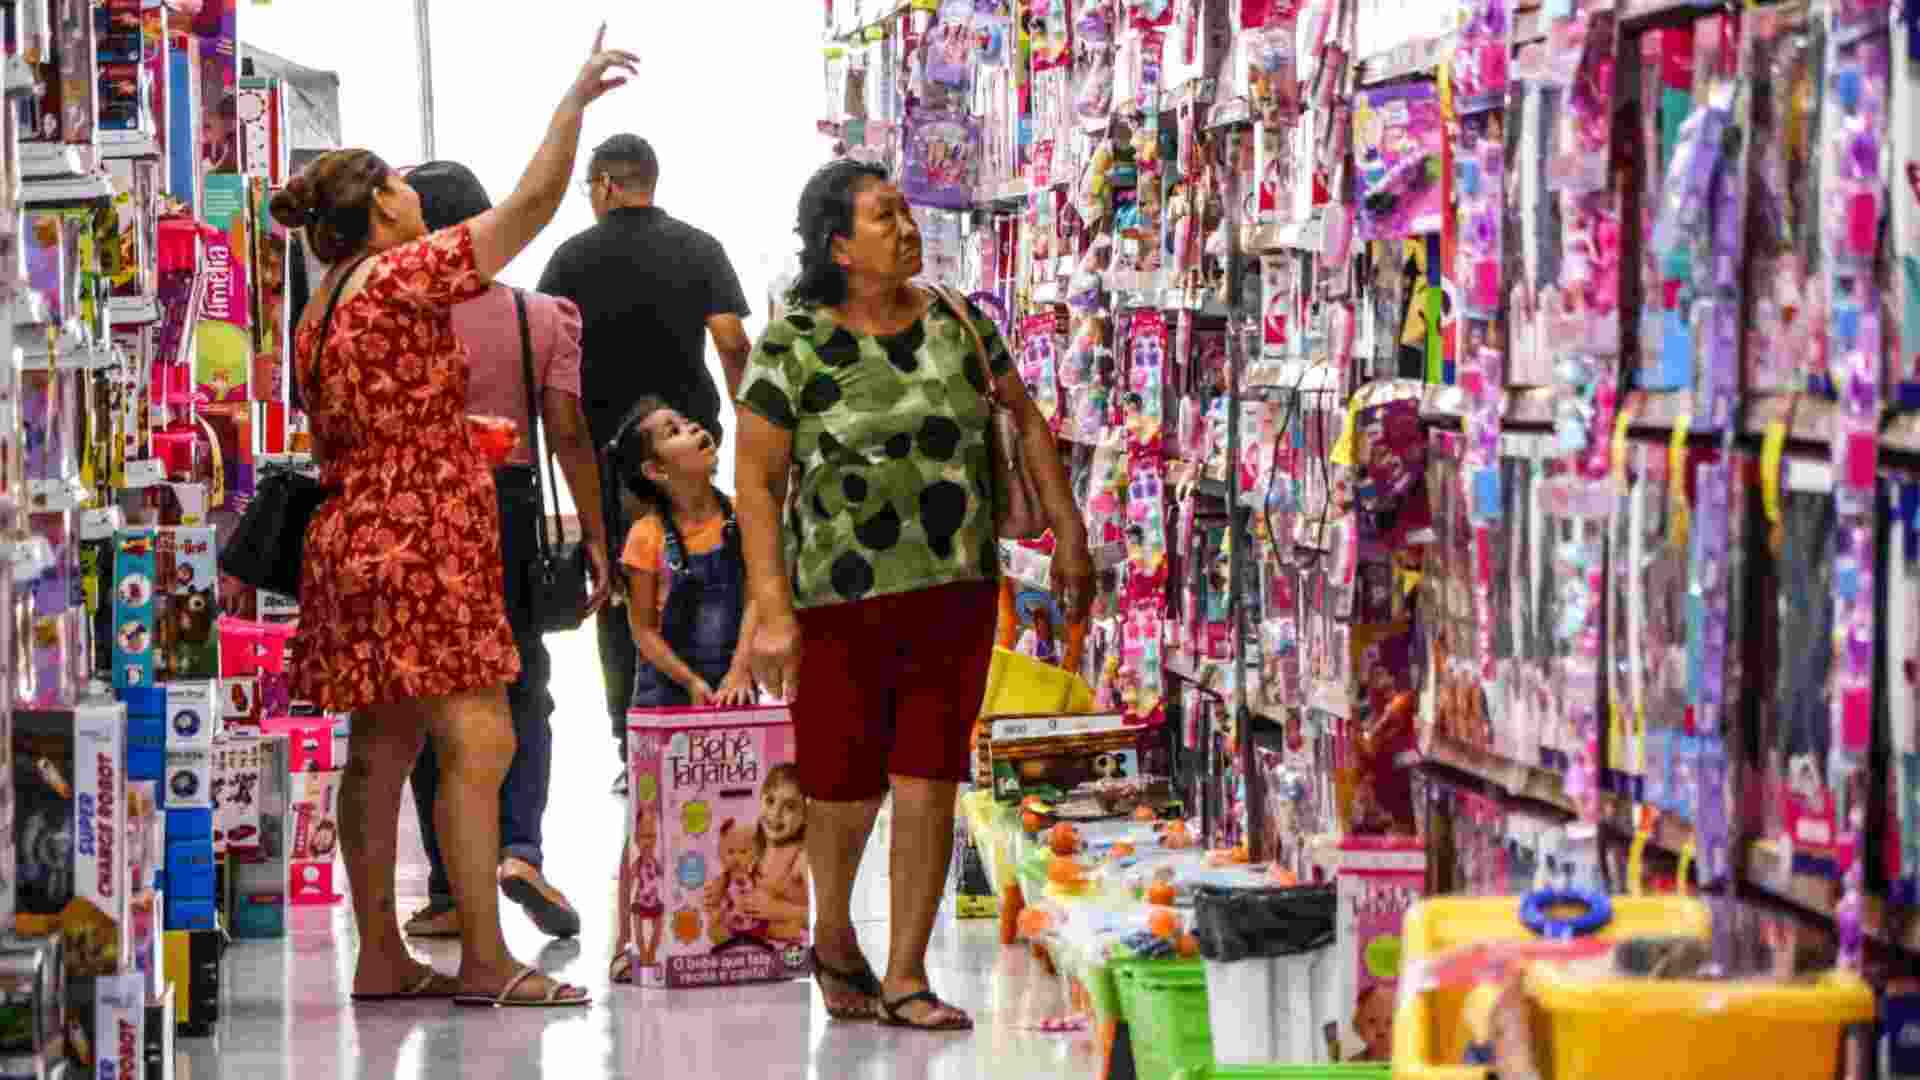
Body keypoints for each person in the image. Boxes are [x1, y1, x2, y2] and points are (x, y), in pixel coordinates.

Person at [267, 28, 635, 1008]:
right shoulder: (399, 274)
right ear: (384, 205)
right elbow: (529, 209)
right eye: (400, 185)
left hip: (354, 538)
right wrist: (571, 107)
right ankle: (484, 959)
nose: (414, 196)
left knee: (381, 747)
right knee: (482, 738)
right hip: (423, 540)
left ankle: (381, 954)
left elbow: (364, 424)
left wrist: (451, 434)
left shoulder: (323, 308)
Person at [734, 159, 1094, 1030]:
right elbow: (756, 482)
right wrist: (772, 609)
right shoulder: (793, 344)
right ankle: (832, 938)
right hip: (836, 602)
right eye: (883, 216)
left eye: (905, 211)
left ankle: (905, 974)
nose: (905, 228)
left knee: (930, 779)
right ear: (838, 246)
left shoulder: (959, 319)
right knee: (842, 787)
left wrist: (1069, 532)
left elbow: (1025, 420)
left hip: (956, 590)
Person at [395, 160, 612, 943]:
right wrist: (594, 532)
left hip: (419, 513)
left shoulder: (394, 316)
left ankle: (451, 886)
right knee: (523, 683)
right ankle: (521, 848)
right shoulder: (541, 316)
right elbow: (568, 434)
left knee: (431, 694)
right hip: (510, 509)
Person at [536, 135, 754, 793]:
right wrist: (751, 425)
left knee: (626, 590)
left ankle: (635, 747)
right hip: (687, 446)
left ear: (604, 185)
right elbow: (731, 340)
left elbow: (549, 363)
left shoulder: (570, 258)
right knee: (713, 574)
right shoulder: (700, 246)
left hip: (615, 456)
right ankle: (716, 722)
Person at [605, 395, 757, 984]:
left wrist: (739, 671)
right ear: (656, 470)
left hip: (734, 690)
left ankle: (723, 930)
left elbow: (757, 599)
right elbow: (642, 631)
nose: (693, 427)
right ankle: (627, 939)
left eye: (688, 422)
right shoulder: (646, 537)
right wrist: (691, 681)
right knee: (648, 824)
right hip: (665, 697)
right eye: (674, 430)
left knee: (732, 816)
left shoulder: (742, 518)